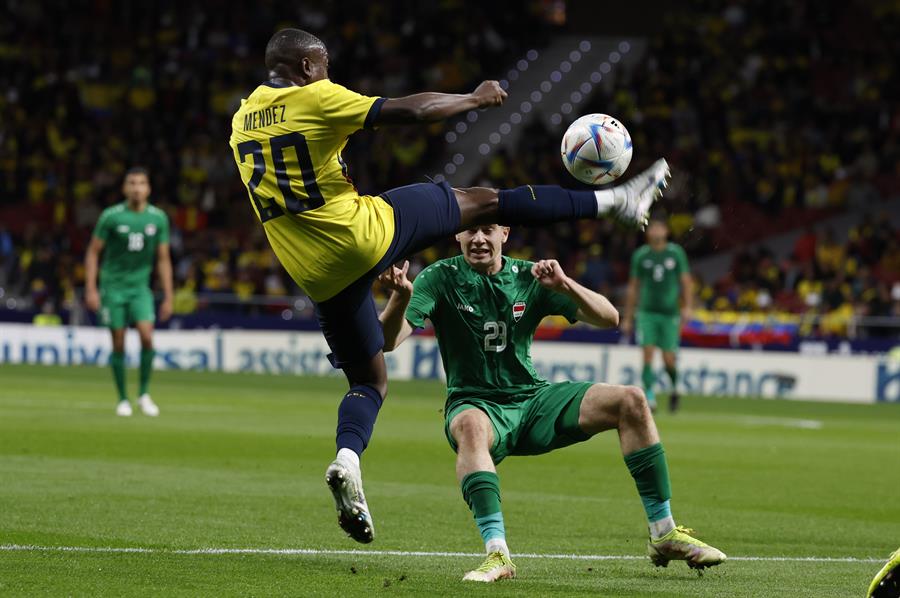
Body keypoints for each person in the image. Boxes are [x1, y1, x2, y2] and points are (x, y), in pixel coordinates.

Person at [229, 28, 671, 544]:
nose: (328, 74)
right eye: (323, 65)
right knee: (484, 200)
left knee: (369, 383)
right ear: (307, 66)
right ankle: (615, 201)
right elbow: (409, 112)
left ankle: (348, 458)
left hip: (311, 271)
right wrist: (472, 99)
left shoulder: (241, 120)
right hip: (360, 234)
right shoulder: (315, 96)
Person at [377, 223, 725, 581]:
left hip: (534, 400)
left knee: (632, 400)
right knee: (470, 425)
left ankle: (663, 532)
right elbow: (389, 341)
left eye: (487, 230)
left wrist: (565, 286)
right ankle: (497, 555)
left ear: (505, 234)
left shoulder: (531, 277)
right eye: (470, 232)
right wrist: (400, 297)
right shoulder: (439, 277)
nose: (478, 238)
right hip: (476, 404)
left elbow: (609, 318)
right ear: (458, 237)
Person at [84, 167, 173, 417]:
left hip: (140, 289)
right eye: (132, 183)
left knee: (147, 337)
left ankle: (143, 394)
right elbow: (93, 252)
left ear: (149, 188)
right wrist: (91, 288)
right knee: (119, 341)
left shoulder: (158, 218)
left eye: (141, 183)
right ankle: (122, 398)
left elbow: (164, 259)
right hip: (113, 288)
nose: (136, 188)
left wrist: (169, 295)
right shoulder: (111, 217)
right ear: (124, 188)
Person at [621, 219, 692, 412]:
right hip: (646, 313)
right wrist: (627, 317)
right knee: (647, 355)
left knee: (669, 359)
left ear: (667, 231)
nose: (656, 231)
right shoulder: (641, 255)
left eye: (660, 227)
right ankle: (650, 397)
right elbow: (633, 287)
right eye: (652, 227)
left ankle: (675, 387)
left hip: (670, 314)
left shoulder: (676, 253)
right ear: (647, 232)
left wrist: (687, 306)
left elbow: (685, 281)